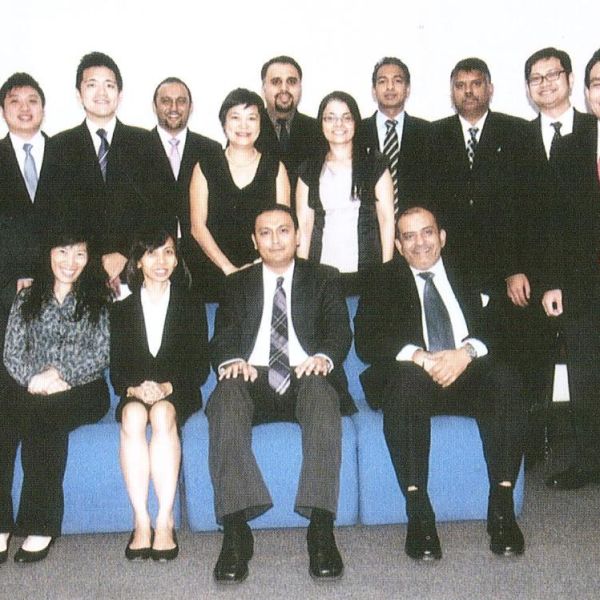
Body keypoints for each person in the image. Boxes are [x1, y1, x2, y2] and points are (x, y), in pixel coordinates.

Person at [354, 207, 526, 561]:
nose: (420, 243)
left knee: (506, 378)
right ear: (398, 246)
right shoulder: (381, 280)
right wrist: (419, 356)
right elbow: (367, 341)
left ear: (442, 236)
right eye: (409, 236)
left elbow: (504, 323)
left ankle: (502, 507)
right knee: (404, 383)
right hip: (415, 377)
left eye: (427, 232)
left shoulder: (470, 270)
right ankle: (419, 513)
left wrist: (467, 352)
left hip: (468, 372)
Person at [207, 205, 353, 583]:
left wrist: (323, 358)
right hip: (252, 375)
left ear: (298, 235)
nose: (275, 240)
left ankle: (320, 529)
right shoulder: (237, 283)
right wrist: (231, 361)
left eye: (283, 230)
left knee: (322, 394)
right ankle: (236, 531)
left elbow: (339, 330)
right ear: (254, 241)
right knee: (225, 397)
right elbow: (222, 335)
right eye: (265, 232)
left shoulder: (324, 277)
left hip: (306, 373)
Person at [0, 225, 111, 563]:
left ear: (89, 258)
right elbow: (11, 352)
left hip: (85, 388)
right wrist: (34, 380)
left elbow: (101, 354)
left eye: (79, 253)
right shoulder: (26, 297)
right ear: (48, 254)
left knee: (47, 416)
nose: (70, 261)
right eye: (62, 251)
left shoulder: (99, 297)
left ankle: (40, 525)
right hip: (31, 385)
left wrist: (59, 374)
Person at [109, 225, 209, 561]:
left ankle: (165, 520)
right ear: (137, 261)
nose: (161, 261)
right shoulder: (121, 310)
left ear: (177, 259)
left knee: (163, 413)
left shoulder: (191, 304)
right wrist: (134, 388)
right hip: (136, 389)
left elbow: (199, 365)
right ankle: (141, 519)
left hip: (179, 390)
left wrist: (167, 387)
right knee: (132, 415)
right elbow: (117, 370)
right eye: (151, 253)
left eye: (168, 252)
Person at [541, 48, 600, 489]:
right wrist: (554, 282)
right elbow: (555, 223)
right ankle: (590, 462)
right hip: (584, 281)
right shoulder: (571, 144)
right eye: (597, 84)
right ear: (587, 91)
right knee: (586, 375)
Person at [50, 52, 152, 293]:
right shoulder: (59, 146)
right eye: (92, 85)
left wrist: (124, 254)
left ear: (120, 94)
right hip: (80, 274)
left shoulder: (145, 142)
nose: (102, 93)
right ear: (79, 94)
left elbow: (155, 208)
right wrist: (98, 262)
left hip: (135, 271)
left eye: (109, 85)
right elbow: (57, 214)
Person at [428, 58, 531, 297]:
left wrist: (516, 267)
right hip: (450, 264)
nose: (468, 91)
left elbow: (528, 206)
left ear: (490, 89)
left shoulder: (518, 131)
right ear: (452, 92)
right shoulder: (432, 135)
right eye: (460, 85)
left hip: (505, 267)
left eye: (476, 83)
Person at [189, 88, 290, 300]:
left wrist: (258, 266)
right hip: (213, 274)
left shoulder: (275, 168)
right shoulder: (205, 166)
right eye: (235, 117)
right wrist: (229, 270)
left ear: (261, 123)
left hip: (264, 273)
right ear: (224, 123)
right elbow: (197, 227)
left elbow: (285, 226)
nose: (244, 126)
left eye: (251, 118)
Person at [296, 91, 395, 295]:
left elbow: (386, 220)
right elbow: (304, 226)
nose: (338, 124)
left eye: (346, 117)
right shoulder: (309, 168)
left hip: (368, 271)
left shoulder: (374, 163)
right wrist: (301, 275)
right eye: (330, 118)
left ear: (356, 122)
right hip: (321, 273)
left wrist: (387, 270)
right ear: (321, 123)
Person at [146, 77, 222, 295]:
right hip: (152, 259)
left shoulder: (211, 150)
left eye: (181, 101)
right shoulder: (137, 147)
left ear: (191, 107)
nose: (174, 108)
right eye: (166, 101)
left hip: (202, 263)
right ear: (154, 106)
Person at [360, 57, 431, 215]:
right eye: (382, 81)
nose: (390, 87)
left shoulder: (428, 132)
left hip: (413, 225)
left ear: (407, 89)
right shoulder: (357, 132)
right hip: (368, 225)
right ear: (373, 91)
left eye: (397, 81)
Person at [259, 56, 321, 202]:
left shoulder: (317, 130)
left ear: (300, 87)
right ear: (263, 88)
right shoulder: (247, 130)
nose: (284, 89)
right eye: (276, 82)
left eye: (291, 82)